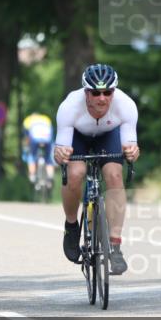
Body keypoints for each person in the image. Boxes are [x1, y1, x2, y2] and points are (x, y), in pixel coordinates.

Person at [53, 63, 140, 275]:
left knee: (114, 175)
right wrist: (60, 155)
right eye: (96, 93)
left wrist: (132, 152)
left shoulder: (126, 105)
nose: (102, 98)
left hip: (108, 135)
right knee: (75, 174)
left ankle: (115, 246)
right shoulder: (69, 107)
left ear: (114, 92)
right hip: (78, 136)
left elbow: (130, 146)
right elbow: (59, 153)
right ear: (86, 93)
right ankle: (71, 226)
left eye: (107, 92)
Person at [21, 112, 55, 187]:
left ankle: (32, 176)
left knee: (32, 156)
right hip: (47, 139)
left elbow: (26, 136)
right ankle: (50, 177)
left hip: (35, 139)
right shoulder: (45, 118)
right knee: (48, 158)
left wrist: (26, 148)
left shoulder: (28, 120)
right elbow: (52, 132)